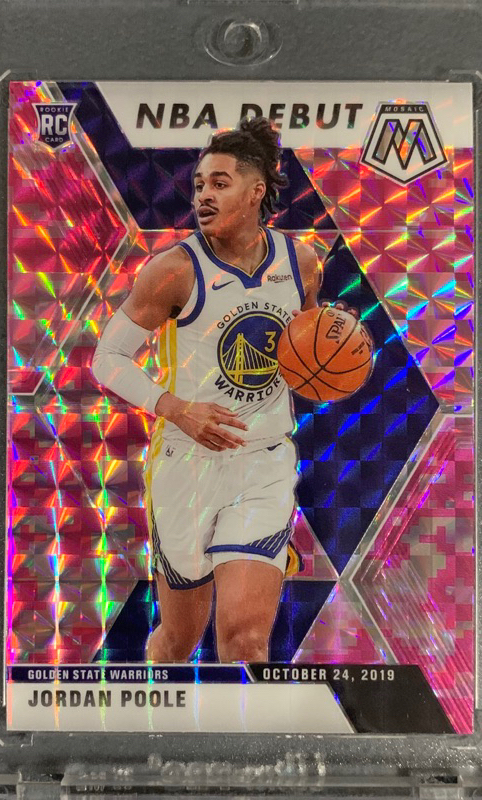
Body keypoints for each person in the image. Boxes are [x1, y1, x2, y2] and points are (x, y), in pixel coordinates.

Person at [92, 117, 322, 664]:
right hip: (186, 465)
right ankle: (155, 711)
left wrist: (327, 371)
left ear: (256, 191)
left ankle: (246, 729)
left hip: (263, 462)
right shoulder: (173, 270)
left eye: (220, 183)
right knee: (178, 641)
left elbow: (306, 356)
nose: (203, 196)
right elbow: (107, 359)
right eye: (199, 185)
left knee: (245, 641)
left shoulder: (302, 264)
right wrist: (177, 409)